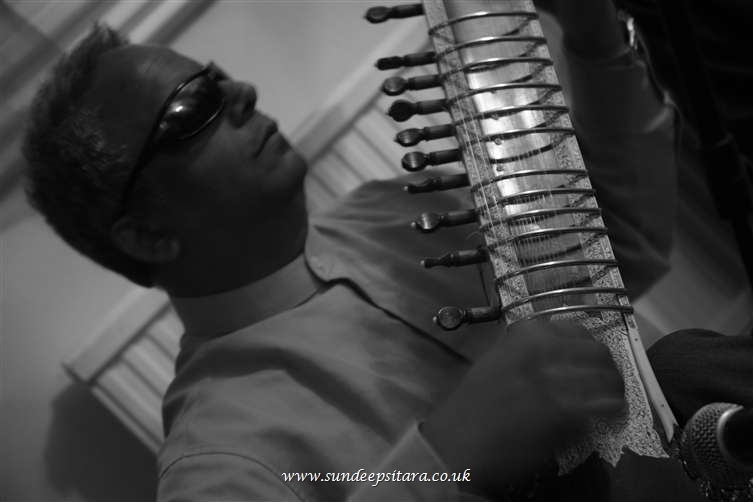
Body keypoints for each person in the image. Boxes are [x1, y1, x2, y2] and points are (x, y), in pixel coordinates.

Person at [21, 1, 702, 500]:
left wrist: (592, 37)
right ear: (146, 234)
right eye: (191, 108)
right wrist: (446, 459)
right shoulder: (220, 457)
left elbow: (623, 239)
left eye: (218, 77)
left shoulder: (389, 208)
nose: (240, 93)